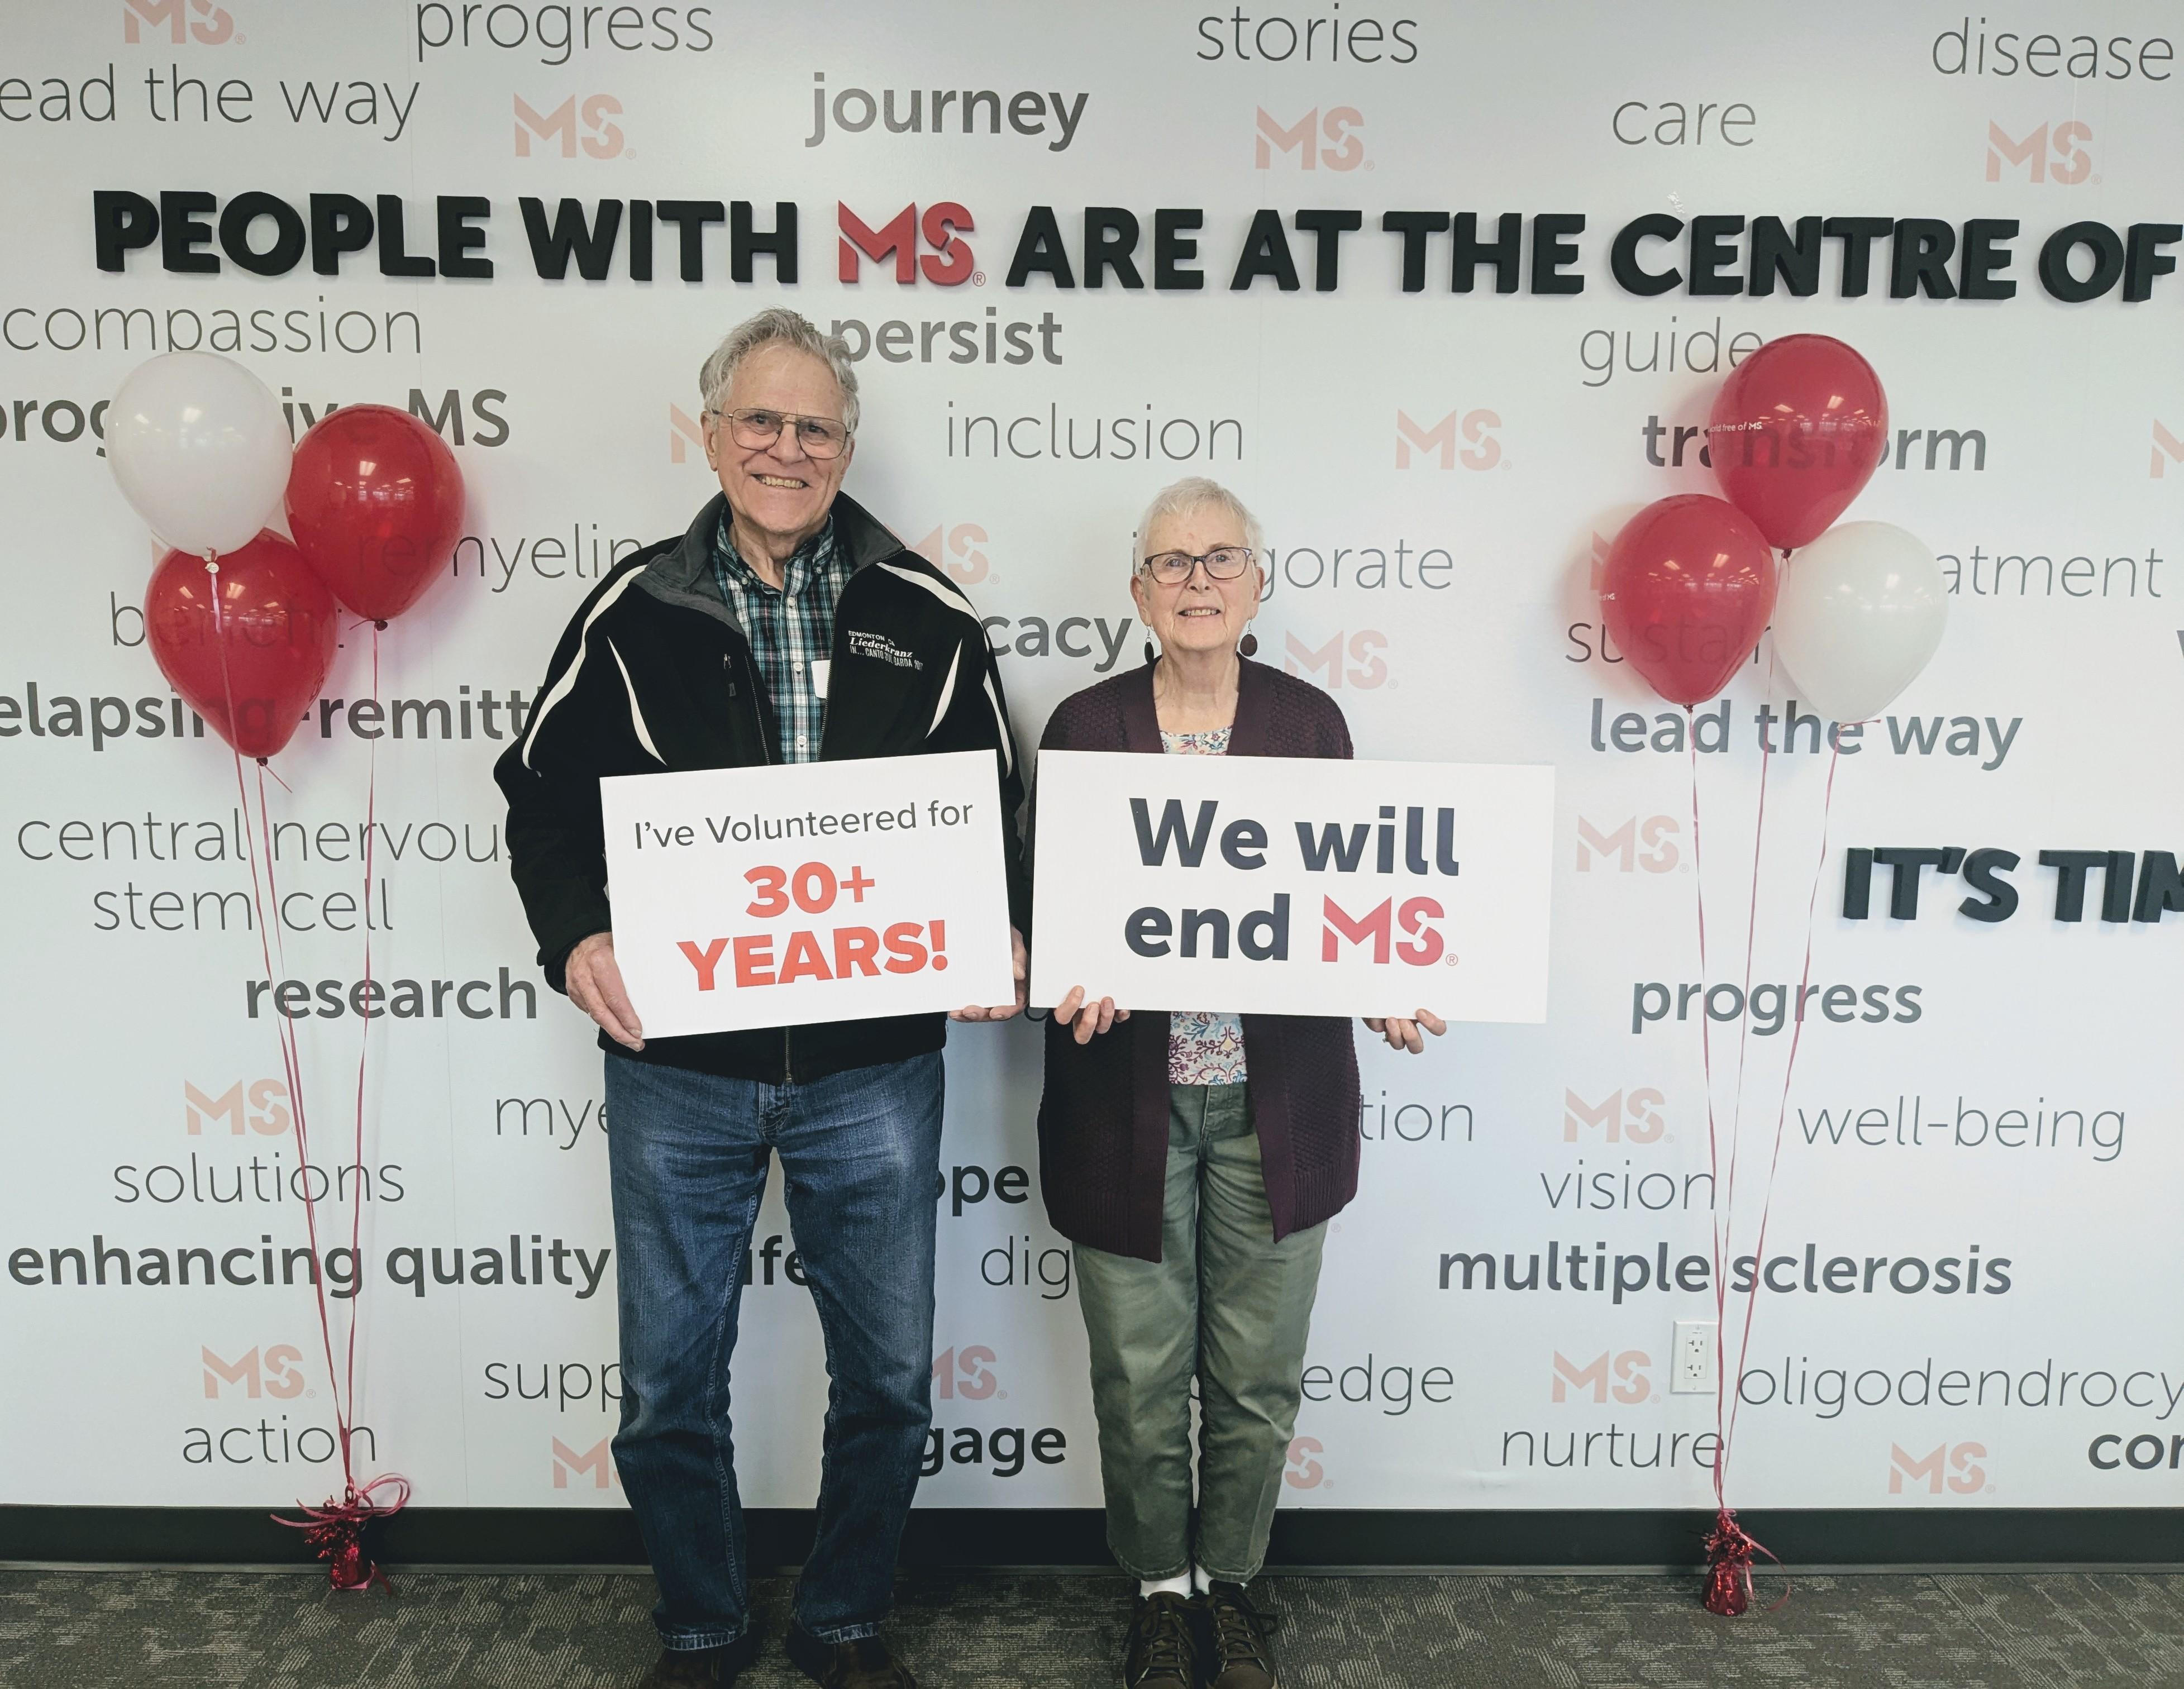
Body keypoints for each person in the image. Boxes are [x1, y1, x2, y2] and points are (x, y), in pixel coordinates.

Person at [495, 308, 1028, 1689]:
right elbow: (537, 799)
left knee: (894, 1383)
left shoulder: (927, 612)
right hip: (680, 1059)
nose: (785, 449)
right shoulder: (631, 609)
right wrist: (574, 938)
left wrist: (999, 932)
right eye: (760, 421)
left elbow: (998, 817)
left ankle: (845, 1620)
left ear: (846, 448)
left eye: (814, 429)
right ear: (711, 431)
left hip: (875, 1067)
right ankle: (701, 1625)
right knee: (669, 1385)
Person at [1035, 477, 1444, 1689]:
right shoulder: (1083, 726)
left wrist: (1381, 975)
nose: (1197, 579)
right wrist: (1069, 970)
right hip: (1126, 1103)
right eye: (1171, 563)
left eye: (1221, 558)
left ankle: (1233, 1581)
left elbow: (1338, 897)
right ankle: (1161, 1591)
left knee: (1256, 1381)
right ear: (1137, 592)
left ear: (1257, 583)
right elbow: (1045, 896)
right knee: (1139, 1377)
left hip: (1279, 1105)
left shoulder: (1308, 722)